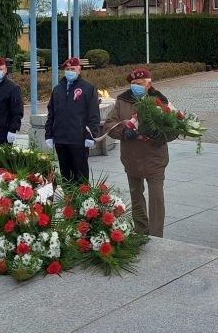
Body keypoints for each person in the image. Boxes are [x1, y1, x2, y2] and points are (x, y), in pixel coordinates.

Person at [101, 67, 170, 237]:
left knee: (156, 198)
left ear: (148, 85)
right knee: (136, 196)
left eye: (139, 84)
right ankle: (141, 230)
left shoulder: (160, 100)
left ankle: (156, 235)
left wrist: (157, 134)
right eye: (132, 84)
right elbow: (109, 123)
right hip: (132, 157)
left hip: (154, 158)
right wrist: (123, 132)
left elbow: (171, 128)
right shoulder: (123, 100)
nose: (135, 87)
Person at [45, 57, 101, 182]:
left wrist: (91, 135)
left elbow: (94, 115)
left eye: (73, 69)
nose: (70, 71)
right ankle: (67, 200)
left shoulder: (88, 88)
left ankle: (82, 200)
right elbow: (51, 113)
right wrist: (49, 134)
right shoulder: (58, 89)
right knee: (65, 175)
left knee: (80, 175)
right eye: (67, 69)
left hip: (78, 139)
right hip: (61, 138)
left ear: (79, 70)